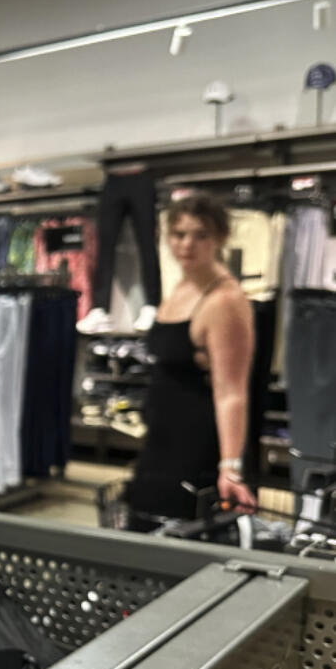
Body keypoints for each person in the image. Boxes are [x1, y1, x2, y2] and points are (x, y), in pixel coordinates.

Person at [126, 192, 258, 525]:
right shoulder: (183, 286)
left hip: (195, 443)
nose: (187, 244)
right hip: (161, 438)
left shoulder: (224, 300)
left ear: (219, 239)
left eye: (201, 235)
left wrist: (230, 467)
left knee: (177, 536)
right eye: (179, 234)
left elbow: (232, 392)